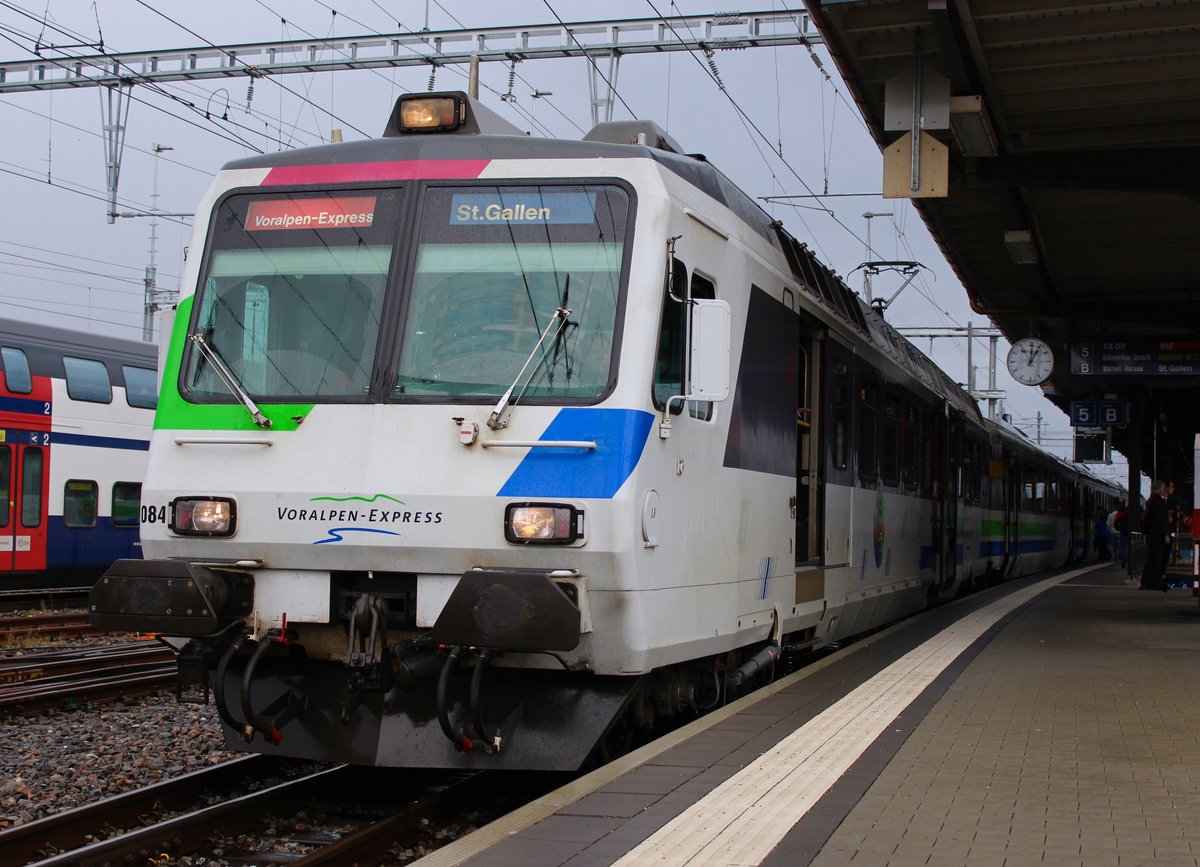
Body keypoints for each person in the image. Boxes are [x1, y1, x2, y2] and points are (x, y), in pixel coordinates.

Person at [1142, 480, 1170, 591]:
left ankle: (1146, 582)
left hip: (1151, 536)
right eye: (1163, 489)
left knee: (1150, 560)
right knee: (1156, 561)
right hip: (1158, 537)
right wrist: (1166, 534)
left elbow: (1147, 520)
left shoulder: (1150, 501)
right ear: (1160, 489)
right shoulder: (1159, 502)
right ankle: (1154, 582)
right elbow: (1161, 520)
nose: (1165, 491)